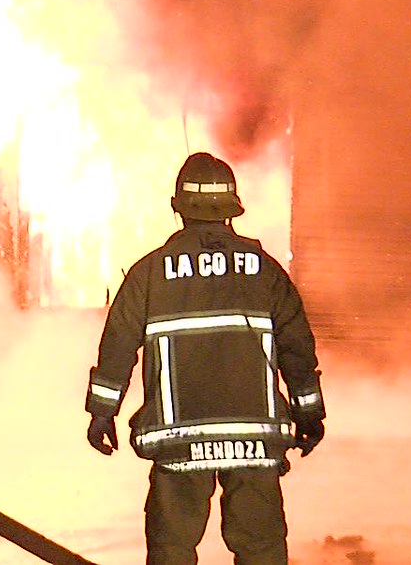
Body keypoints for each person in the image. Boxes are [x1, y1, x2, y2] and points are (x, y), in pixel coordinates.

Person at [84, 151, 326, 564]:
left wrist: (102, 413)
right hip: (253, 439)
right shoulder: (266, 272)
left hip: (180, 438)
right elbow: (297, 350)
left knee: (172, 548)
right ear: (232, 208)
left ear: (177, 207)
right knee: (261, 547)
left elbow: (117, 347)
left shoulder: (149, 273)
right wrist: (309, 413)